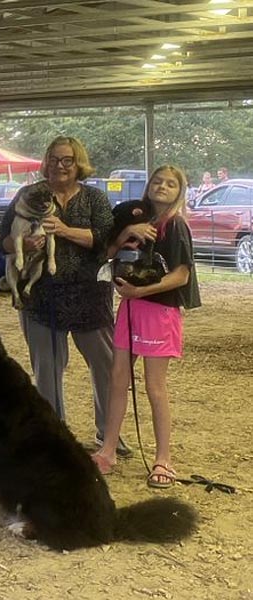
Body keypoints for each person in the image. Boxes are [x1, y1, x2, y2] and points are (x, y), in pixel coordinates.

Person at [0, 136, 132, 457]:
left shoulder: (95, 197)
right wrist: (25, 246)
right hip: (41, 297)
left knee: (107, 366)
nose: (60, 165)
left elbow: (105, 241)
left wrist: (63, 230)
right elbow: (2, 239)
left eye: (67, 160)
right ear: (46, 161)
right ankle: (53, 436)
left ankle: (109, 434)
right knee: (47, 369)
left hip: (90, 297)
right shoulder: (28, 195)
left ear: (78, 163)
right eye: (54, 159)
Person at [92, 165, 200, 488]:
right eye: (157, 181)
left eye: (170, 184)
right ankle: (107, 449)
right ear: (147, 185)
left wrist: (141, 291)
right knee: (117, 377)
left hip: (158, 310)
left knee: (155, 386)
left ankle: (163, 458)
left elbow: (181, 275)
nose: (162, 187)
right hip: (130, 307)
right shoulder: (136, 220)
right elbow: (108, 253)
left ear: (179, 191)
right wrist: (128, 233)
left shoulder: (176, 226)